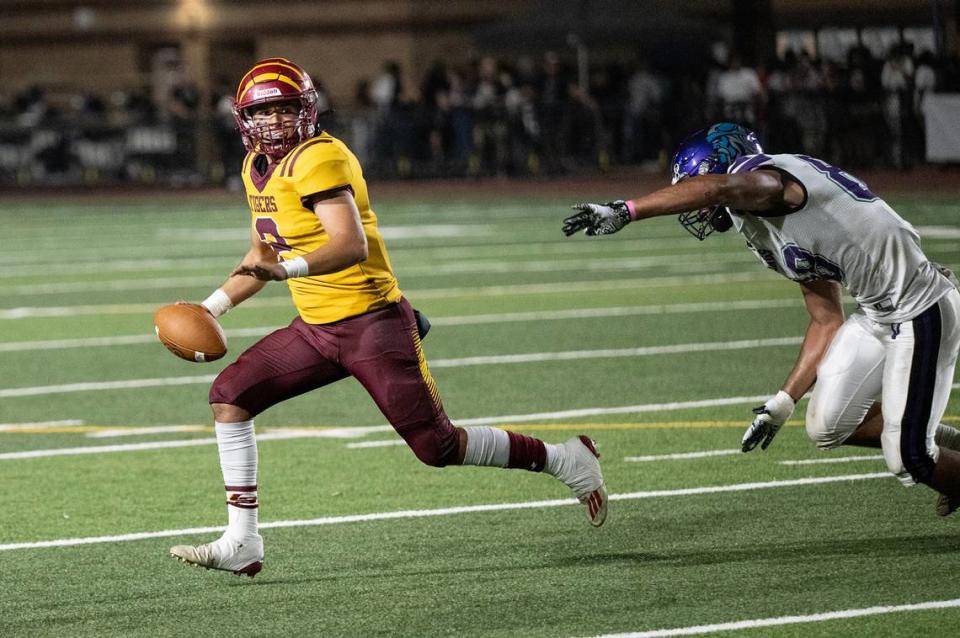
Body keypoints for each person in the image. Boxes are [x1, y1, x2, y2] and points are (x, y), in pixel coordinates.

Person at [169, 58, 608, 578]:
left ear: (305, 111)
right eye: (262, 113)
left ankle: (564, 458)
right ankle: (243, 542)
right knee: (230, 395)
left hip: (371, 322)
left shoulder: (319, 158)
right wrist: (211, 306)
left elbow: (349, 244)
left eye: (284, 110)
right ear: (244, 119)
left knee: (437, 447)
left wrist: (289, 270)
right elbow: (261, 256)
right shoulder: (254, 167)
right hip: (316, 328)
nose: (273, 122)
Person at [562, 122, 960, 515]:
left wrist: (628, 210)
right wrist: (783, 401)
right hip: (876, 313)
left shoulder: (767, 179)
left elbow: (717, 188)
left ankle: (934, 457)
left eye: (692, 188)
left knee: (909, 457)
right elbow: (825, 318)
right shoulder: (752, 222)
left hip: (921, 305)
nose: (698, 207)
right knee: (828, 425)